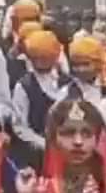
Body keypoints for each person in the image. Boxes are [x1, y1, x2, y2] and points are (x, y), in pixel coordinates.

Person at [11, 31, 72, 171]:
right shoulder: (24, 86)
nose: (40, 61)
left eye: (45, 57)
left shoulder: (68, 83)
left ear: (55, 56)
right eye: (36, 58)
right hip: (37, 158)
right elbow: (20, 127)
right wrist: (43, 144)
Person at [67, 36, 106, 126]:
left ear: (97, 63)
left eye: (86, 64)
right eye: (76, 65)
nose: (81, 69)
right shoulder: (68, 92)